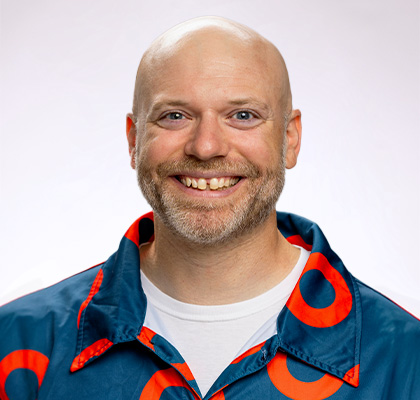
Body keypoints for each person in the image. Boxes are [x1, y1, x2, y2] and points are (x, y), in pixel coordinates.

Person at [0, 16, 419, 400]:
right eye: (175, 116)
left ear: (290, 139)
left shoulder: (403, 356)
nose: (206, 147)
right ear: (133, 140)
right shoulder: (17, 342)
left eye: (242, 115)